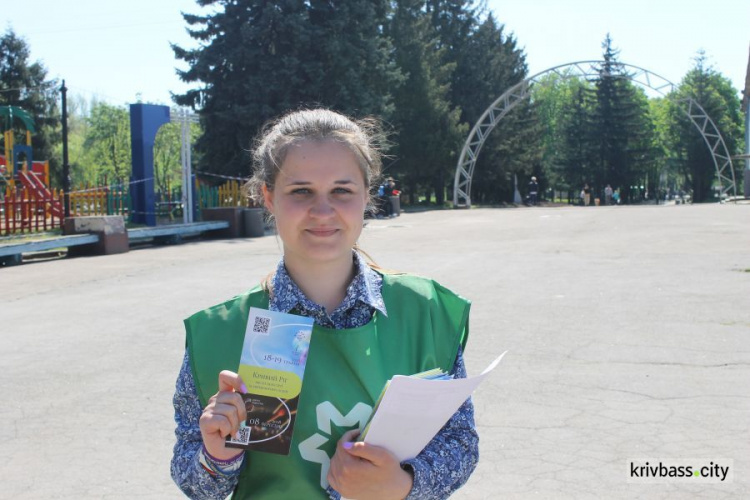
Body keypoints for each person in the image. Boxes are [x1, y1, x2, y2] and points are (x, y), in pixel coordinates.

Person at [171, 109, 478, 500]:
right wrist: (217, 455)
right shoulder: (221, 332)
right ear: (268, 196)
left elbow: (460, 443)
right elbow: (193, 479)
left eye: (342, 191)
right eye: (301, 191)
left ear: (367, 194)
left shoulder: (424, 312)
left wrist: (402, 486)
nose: (322, 211)